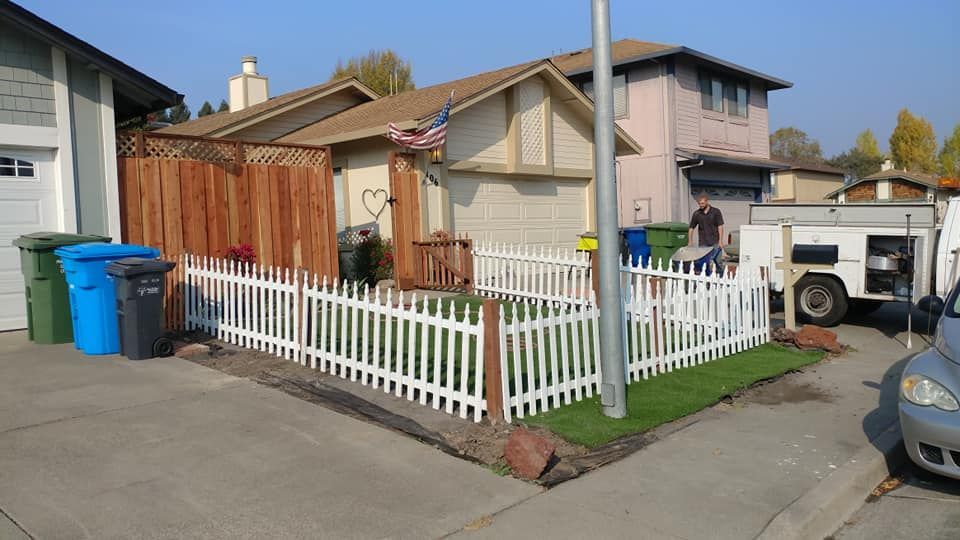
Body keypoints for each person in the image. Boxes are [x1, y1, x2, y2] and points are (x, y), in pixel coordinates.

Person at [688, 195, 725, 274]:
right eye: (699, 204)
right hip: (703, 243)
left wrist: (721, 241)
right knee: (704, 263)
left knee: (718, 262)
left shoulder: (716, 212)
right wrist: (690, 241)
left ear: (707, 202)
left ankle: (722, 279)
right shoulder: (697, 214)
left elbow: (720, 226)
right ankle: (707, 281)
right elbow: (691, 228)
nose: (701, 205)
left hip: (715, 242)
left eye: (702, 203)